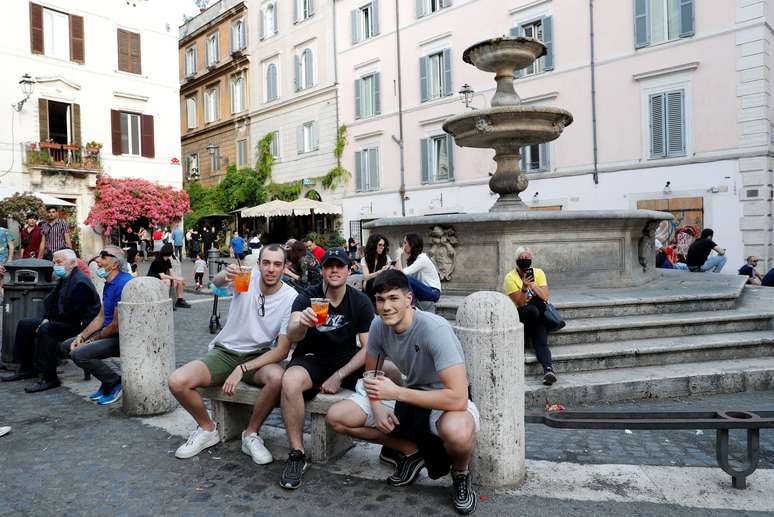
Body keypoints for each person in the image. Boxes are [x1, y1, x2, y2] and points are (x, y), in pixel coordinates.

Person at [326, 270, 480, 515]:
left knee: (458, 434)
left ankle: (460, 473)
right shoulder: (378, 325)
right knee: (337, 417)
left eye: (393, 298)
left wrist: (397, 393)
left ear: (409, 299)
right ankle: (410, 451)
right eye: (380, 299)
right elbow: (371, 376)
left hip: (442, 399)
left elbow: (458, 398)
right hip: (407, 393)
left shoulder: (434, 328)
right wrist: (376, 408)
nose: (386, 306)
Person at [168, 244, 297, 462]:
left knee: (278, 378)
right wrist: (224, 274)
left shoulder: (290, 297)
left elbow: (282, 350)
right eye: (266, 263)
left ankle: (251, 434)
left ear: (285, 267)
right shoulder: (247, 278)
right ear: (259, 264)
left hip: (258, 356)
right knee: (176, 381)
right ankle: (207, 429)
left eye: (277, 264)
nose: (271, 269)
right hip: (224, 351)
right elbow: (217, 284)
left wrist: (243, 368)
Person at [278, 247, 375, 489]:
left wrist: (339, 376)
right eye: (329, 266)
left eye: (339, 266)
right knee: (289, 382)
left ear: (348, 269)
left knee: (391, 371)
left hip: (345, 360)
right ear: (322, 270)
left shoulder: (360, 301)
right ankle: (297, 454)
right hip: (312, 357)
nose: (334, 270)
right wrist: (302, 322)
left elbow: (368, 348)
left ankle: (398, 447)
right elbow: (292, 334)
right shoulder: (306, 297)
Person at [1, 249, 101, 392]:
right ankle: (27, 368)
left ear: (72, 263)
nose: (55, 265)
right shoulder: (65, 278)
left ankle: (49, 378)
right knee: (25, 324)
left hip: (79, 325)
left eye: (59, 262)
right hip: (64, 320)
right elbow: (51, 302)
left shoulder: (80, 282)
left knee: (47, 330)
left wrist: (49, 322)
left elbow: (74, 313)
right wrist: (46, 318)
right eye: (54, 262)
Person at [60, 247, 132, 405]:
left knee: (79, 354)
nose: (97, 260)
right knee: (67, 346)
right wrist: (82, 336)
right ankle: (106, 380)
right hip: (108, 334)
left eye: (103, 257)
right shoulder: (109, 281)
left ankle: (114, 382)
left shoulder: (124, 284)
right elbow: (101, 316)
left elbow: (115, 325)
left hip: (123, 338)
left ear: (114, 264)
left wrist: (92, 340)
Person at [503, 246, 556, 385]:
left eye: (527, 258)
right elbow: (520, 303)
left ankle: (548, 369)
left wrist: (532, 284)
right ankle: (537, 325)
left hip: (536, 318)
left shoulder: (538, 273)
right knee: (533, 310)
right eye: (522, 258)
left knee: (541, 342)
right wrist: (524, 287)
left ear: (531, 260)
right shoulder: (510, 278)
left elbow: (545, 296)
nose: (525, 261)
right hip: (522, 314)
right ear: (517, 260)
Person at [393, 233, 441, 303]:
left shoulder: (422, 258)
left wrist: (398, 256)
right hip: (423, 290)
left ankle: (411, 308)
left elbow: (401, 274)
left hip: (433, 292)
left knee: (406, 278)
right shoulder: (412, 259)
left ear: (412, 244)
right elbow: (399, 275)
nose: (403, 245)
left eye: (405, 242)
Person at [148, 244, 191, 308]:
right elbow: (162, 276)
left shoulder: (167, 260)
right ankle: (165, 302)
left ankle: (179, 300)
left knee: (180, 281)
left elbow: (171, 271)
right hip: (153, 278)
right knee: (167, 281)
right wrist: (175, 278)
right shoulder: (158, 260)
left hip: (161, 277)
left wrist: (176, 279)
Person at [361, 234, 392, 303]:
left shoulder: (386, 258)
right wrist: (379, 272)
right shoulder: (365, 259)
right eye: (380, 245)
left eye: (383, 245)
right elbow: (366, 277)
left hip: (382, 282)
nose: (382, 247)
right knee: (369, 282)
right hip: (369, 283)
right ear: (373, 245)